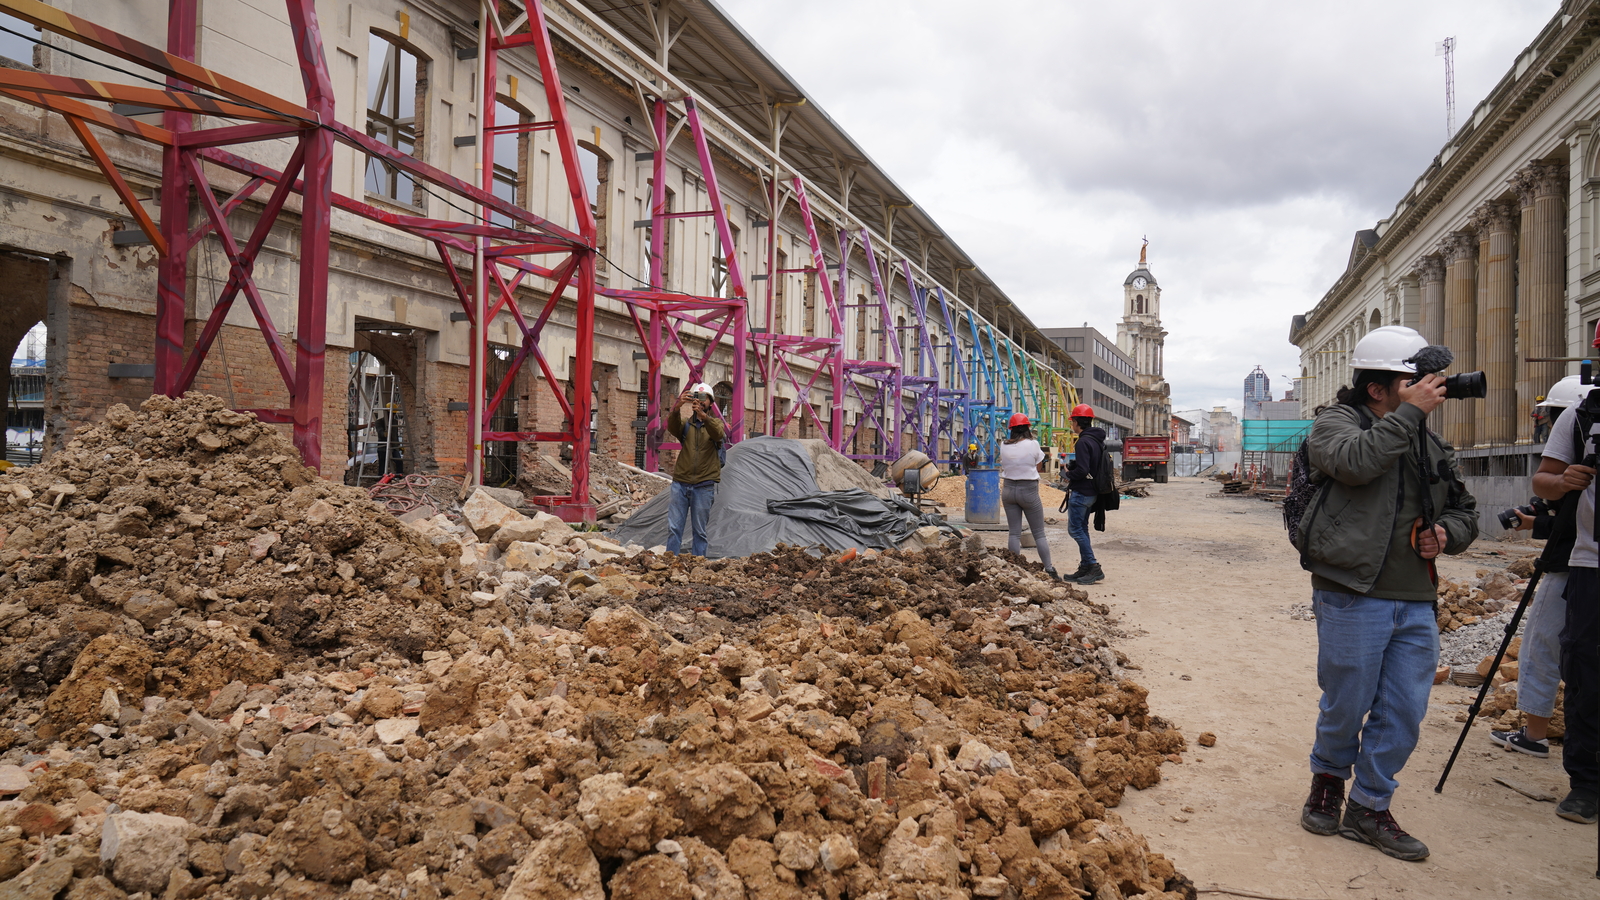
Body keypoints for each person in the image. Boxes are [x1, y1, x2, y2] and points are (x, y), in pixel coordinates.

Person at [1295, 325, 1478, 862]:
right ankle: (1328, 780)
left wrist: (1448, 534)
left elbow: (1464, 509)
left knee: (1403, 710)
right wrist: (1410, 415)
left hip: (1414, 595)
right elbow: (1353, 463)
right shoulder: (1334, 423)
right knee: (1347, 701)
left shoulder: (1428, 439)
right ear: (1378, 388)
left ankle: (1370, 805)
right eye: (1413, 380)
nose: (1429, 389)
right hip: (1352, 589)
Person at [1492, 375, 1591, 761]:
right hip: (1574, 560)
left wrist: (1539, 523)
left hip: (1571, 566)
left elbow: (1574, 526)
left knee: (1541, 645)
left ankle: (1534, 734)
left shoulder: (1579, 442)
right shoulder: (1573, 465)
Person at [1531, 376, 1600, 825]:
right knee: (1586, 671)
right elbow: (1543, 480)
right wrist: (1563, 481)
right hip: (1591, 563)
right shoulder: (1581, 417)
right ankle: (1587, 784)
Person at [664, 382, 723, 556]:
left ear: (710, 404)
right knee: (674, 527)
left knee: (700, 531)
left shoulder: (715, 424)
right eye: (697, 397)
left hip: (703, 486)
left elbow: (718, 434)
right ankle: (670, 562)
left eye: (704, 399)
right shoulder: (685, 425)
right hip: (681, 484)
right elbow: (672, 426)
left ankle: (698, 565)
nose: (700, 401)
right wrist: (678, 406)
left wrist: (704, 417)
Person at [999, 413, 1059, 581]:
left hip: (1009, 490)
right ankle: (1049, 569)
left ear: (1011, 429)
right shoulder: (1033, 444)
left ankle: (1013, 569)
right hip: (1029, 491)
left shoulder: (1003, 445)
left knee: (1014, 533)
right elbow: (1038, 464)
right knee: (1039, 533)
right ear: (1027, 428)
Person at [1063, 403, 1106, 585]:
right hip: (1092, 492)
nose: (1072, 425)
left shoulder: (1083, 441)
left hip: (1081, 492)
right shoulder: (1096, 440)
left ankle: (1093, 566)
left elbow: (1082, 470)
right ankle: (1085, 566)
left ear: (1077, 422)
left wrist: (1068, 473)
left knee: (1075, 530)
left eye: (1073, 421)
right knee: (1083, 529)